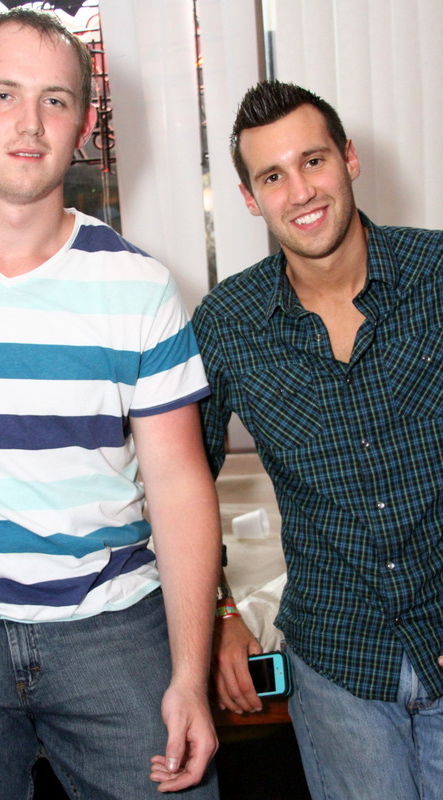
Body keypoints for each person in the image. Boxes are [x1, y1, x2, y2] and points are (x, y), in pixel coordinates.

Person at [0, 9, 221, 799]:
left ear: (84, 124)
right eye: (3, 94)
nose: (29, 122)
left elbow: (180, 488)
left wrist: (190, 677)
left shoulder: (139, 285)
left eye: (54, 100)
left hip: (113, 628)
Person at [192, 80, 443, 800]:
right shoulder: (227, 324)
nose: (300, 191)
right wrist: (221, 615)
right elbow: (182, 485)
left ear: (349, 159)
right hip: (336, 668)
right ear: (251, 198)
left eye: (313, 161)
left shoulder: (436, 275)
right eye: (272, 176)